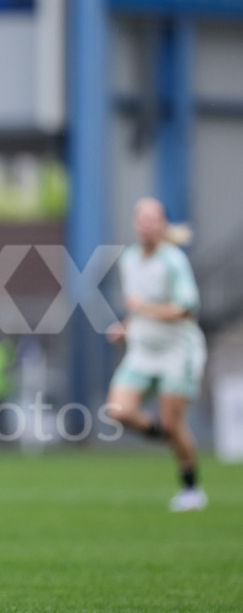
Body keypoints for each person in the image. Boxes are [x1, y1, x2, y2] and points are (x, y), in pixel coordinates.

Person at [106, 197, 207, 512]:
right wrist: (126, 327)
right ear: (136, 224)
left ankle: (192, 489)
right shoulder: (129, 260)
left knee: (175, 422)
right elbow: (138, 311)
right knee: (118, 411)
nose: (147, 225)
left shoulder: (173, 261)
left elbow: (186, 310)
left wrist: (143, 310)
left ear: (163, 224)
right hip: (143, 351)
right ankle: (165, 433)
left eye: (154, 219)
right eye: (142, 219)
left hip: (177, 351)